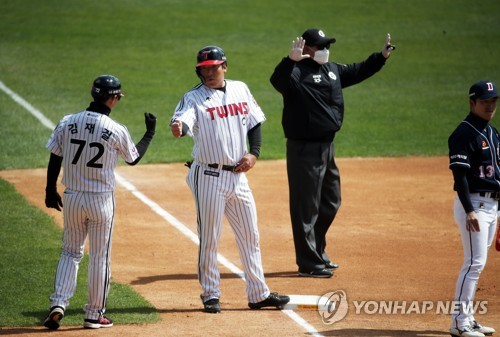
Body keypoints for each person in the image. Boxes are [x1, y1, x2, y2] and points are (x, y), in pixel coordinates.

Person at [169, 46, 290, 313]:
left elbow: (255, 123)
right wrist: (179, 128)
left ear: (225, 66)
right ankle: (211, 294)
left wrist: (254, 154)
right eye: (204, 69)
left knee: (251, 235)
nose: (209, 72)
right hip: (209, 176)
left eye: (213, 67)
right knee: (210, 237)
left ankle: (258, 294)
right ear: (198, 71)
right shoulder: (193, 98)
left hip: (238, 177)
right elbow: (182, 123)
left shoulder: (241, 89)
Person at [270, 28, 395, 278]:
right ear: (306, 48)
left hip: (327, 146)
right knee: (306, 207)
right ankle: (308, 262)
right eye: (320, 46)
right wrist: (289, 61)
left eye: (327, 45)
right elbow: (277, 81)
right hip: (304, 148)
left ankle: (317, 250)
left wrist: (380, 57)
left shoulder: (332, 70)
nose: (325, 49)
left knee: (330, 201)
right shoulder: (295, 73)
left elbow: (358, 71)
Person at [43, 75, 157, 330]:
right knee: (99, 257)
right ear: (114, 97)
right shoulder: (116, 129)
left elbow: (55, 156)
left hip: (72, 197)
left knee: (70, 252)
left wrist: (50, 189)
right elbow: (133, 159)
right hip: (101, 202)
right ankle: (94, 315)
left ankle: (58, 304)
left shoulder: (67, 122)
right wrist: (149, 133)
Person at [447, 80, 498, 337]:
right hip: (475, 205)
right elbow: (460, 177)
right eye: (485, 102)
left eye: (493, 102)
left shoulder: (492, 132)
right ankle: (458, 322)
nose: (490, 106)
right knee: (473, 264)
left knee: (478, 263)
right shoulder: (463, 133)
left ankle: (468, 317)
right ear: (472, 103)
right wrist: (469, 210)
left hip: (492, 206)